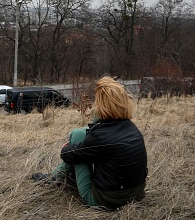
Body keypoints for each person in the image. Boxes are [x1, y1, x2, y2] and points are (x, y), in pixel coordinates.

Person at [32, 76, 148, 210]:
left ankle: (54, 179)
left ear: (102, 104)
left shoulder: (100, 136)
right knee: (82, 134)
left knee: (76, 135)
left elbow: (68, 155)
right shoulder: (132, 128)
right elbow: (98, 135)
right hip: (137, 195)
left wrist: (67, 148)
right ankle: (56, 177)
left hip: (107, 199)